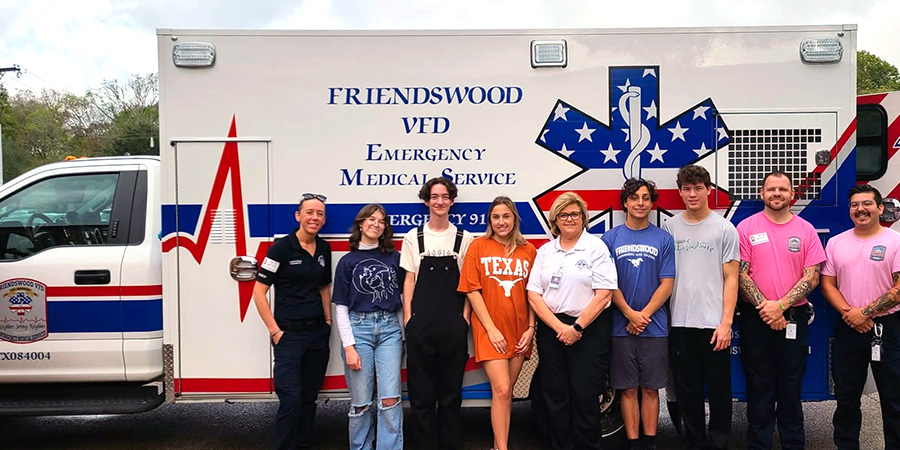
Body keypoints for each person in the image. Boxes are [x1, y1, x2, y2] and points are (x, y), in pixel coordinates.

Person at [736, 171, 825, 450]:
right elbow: (740, 275)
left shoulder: (806, 230)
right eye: (771, 189)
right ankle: (758, 444)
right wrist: (768, 309)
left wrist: (781, 307)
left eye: (783, 189)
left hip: (793, 318)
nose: (777, 194)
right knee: (759, 388)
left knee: (790, 388)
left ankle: (793, 444)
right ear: (762, 194)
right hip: (756, 318)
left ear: (791, 194)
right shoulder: (745, 228)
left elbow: (812, 276)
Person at [526, 192, 618, 450]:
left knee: (585, 396)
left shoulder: (595, 247)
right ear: (555, 219)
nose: (569, 219)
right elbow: (533, 294)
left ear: (583, 218)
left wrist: (577, 327)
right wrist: (560, 327)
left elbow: (604, 294)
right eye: (563, 214)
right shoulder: (546, 251)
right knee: (555, 396)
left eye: (575, 214)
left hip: (589, 330)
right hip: (553, 331)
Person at [662, 165, 739, 450]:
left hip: (714, 324)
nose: (692, 194)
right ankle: (695, 442)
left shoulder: (724, 228)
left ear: (709, 189)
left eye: (698, 188)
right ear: (681, 192)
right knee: (687, 391)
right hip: (680, 322)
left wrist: (726, 323)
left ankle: (719, 442)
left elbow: (732, 278)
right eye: (687, 188)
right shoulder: (670, 227)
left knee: (719, 390)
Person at [821, 185, 900, 450]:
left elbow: (899, 288)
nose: (860, 209)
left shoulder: (895, 241)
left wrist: (864, 313)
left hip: (887, 329)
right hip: (847, 328)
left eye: (867, 204)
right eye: (855, 205)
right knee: (846, 399)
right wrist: (850, 314)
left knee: (894, 399)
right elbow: (828, 284)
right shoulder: (836, 243)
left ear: (880, 208)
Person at [252, 193, 332, 450]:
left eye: (320, 213)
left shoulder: (323, 248)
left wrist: (328, 320)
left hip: (318, 334)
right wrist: (275, 331)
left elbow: (323, 287)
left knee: (309, 399)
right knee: (291, 400)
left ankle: (304, 445)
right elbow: (258, 292)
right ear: (298, 216)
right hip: (289, 336)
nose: (315, 217)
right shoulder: (281, 247)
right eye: (309, 212)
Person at [458, 196, 537, 450]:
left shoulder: (529, 250)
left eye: (506, 216)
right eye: (496, 217)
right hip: (489, 330)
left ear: (514, 218)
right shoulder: (478, 246)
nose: (501, 222)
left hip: (520, 331)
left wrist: (531, 329)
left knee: (507, 393)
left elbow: (534, 294)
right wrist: (491, 329)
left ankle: (497, 444)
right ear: (490, 220)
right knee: (502, 389)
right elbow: (471, 290)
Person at [401, 177, 474, 450]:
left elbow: (469, 285)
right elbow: (408, 280)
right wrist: (409, 318)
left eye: (445, 196)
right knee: (421, 395)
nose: (440, 201)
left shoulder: (464, 238)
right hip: (421, 325)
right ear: (426, 201)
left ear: (452, 201)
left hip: (453, 326)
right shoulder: (414, 237)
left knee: (450, 394)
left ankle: (449, 444)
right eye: (434, 197)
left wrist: (464, 318)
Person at [602, 178, 675, 450]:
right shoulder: (610, 239)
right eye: (634, 198)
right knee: (628, 389)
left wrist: (642, 315)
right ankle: (633, 443)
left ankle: (650, 442)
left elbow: (667, 283)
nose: (640, 203)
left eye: (645, 198)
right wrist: (629, 314)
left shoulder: (663, 239)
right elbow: (609, 284)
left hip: (654, 327)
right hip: (621, 327)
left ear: (652, 202)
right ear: (625, 203)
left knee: (650, 388)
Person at [332, 204, 404, 450]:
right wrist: (349, 346)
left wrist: (406, 334)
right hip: (358, 329)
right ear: (360, 224)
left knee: (390, 399)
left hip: (389, 330)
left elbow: (403, 300)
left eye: (381, 221)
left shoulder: (394, 258)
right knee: (361, 402)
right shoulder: (347, 261)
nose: (376, 224)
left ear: (385, 228)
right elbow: (340, 306)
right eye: (371, 219)